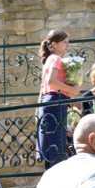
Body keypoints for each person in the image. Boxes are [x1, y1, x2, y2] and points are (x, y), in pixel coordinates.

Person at [37, 29, 80, 169]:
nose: (68, 45)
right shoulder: (55, 59)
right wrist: (72, 89)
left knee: (53, 141)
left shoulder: (50, 59)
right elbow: (52, 82)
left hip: (53, 102)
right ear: (54, 44)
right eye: (64, 42)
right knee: (56, 142)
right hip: (55, 101)